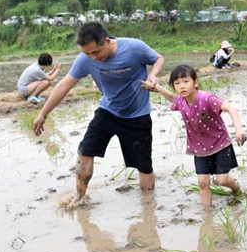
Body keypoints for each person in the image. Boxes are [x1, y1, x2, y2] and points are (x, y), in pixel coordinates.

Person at [32, 23, 165, 208]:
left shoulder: (134, 47)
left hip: (137, 115)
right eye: (88, 54)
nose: (93, 58)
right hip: (108, 112)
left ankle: (148, 208)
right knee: (85, 150)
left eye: (96, 52)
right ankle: (79, 196)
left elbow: (158, 58)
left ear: (107, 41)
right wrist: (43, 114)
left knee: (144, 166)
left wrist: (153, 75)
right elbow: (63, 85)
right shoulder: (85, 59)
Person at [145, 64, 246, 206]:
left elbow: (229, 108)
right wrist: (157, 87)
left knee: (222, 179)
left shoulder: (206, 98)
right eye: (177, 83)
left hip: (219, 143)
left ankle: (236, 189)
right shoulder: (181, 101)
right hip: (199, 148)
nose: (182, 86)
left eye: (186, 81)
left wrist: (239, 129)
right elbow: (172, 98)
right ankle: (207, 216)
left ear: (196, 82)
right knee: (203, 182)